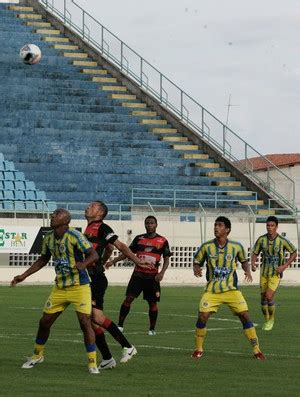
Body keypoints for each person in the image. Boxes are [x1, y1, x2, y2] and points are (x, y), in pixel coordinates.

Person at [10, 209, 100, 374]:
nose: (52, 217)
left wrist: (84, 264)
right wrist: (23, 276)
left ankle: (92, 362)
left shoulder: (75, 236)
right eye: (52, 215)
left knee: (85, 322)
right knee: (44, 322)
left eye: (56, 215)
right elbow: (43, 259)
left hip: (80, 286)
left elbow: (93, 254)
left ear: (66, 220)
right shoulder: (48, 237)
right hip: (60, 287)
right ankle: (37, 355)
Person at [84, 201, 153, 369]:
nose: (87, 207)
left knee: (96, 318)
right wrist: (102, 263)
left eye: (92, 206)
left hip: (95, 280)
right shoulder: (89, 229)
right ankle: (107, 358)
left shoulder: (102, 227)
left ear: (99, 213)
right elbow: (107, 248)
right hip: (91, 277)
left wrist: (137, 260)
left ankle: (128, 347)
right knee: (91, 321)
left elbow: (120, 246)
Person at [192, 216, 265, 360]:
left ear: (227, 230)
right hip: (212, 290)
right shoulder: (206, 246)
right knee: (202, 316)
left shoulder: (236, 247)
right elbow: (196, 261)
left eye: (219, 225)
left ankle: (257, 350)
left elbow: (244, 261)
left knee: (245, 315)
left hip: (231, 289)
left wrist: (247, 271)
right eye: (215, 225)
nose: (216, 228)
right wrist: (196, 269)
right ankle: (198, 348)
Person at [106, 215, 172, 335]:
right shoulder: (138, 239)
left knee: (152, 303)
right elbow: (127, 253)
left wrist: (162, 273)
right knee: (129, 298)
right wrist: (112, 261)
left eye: (152, 223)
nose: (149, 225)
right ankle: (120, 325)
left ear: (156, 225)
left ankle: (152, 328)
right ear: (144, 225)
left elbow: (167, 259)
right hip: (138, 275)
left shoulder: (163, 241)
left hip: (152, 277)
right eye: (147, 223)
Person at [251, 216, 297, 331]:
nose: (269, 228)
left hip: (275, 274)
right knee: (263, 299)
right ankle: (266, 319)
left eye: (272, 226)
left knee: (269, 296)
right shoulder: (261, 239)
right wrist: (253, 263)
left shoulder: (282, 240)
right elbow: (255, 252)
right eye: (268, 225)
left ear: (276, 227)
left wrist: (284, 266)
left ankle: (271, 319)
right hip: (264, 273)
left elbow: (294, 253)